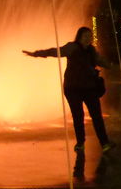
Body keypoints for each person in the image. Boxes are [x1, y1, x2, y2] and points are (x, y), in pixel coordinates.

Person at [23, 26, 114, 154]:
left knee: (97, 116)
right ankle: (80, 143)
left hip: (89, 88)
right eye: (85, 36)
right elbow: (55, 52)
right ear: (79, 37)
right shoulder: (72, 47)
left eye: (90, 36)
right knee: (78, 116)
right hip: (73, 89)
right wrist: (37, 54)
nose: (88, 39)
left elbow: (100, 61)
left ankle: (104, 143)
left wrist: (108, 64)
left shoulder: (92, 51)